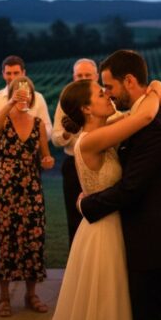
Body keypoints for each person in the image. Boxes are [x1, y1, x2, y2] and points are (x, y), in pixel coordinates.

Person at [38, 78, 161, 320]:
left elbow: (133, 112)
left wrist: (150, 93)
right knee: (106, 306)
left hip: (111, 225)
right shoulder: (90, 140)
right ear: (86, 108)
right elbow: (145, 115)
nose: (107, 95)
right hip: (104, 232)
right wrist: (155, 88)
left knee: (113, 304)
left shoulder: (102, 129)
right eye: (100, 93)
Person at [79, 49, 161, 320]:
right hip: (144, 238)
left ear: (129, 81)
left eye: (109, 87)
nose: (108, 94)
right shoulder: (141, 113)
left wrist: (87, 205)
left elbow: (131, 188)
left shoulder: (152, 124)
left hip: (154, 242)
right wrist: (156, 89)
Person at [0, 76, 55, 317]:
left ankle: (31, 294)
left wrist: (47, 161)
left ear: (33, 96)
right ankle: (4, 298)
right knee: (5, 239)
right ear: (12, 94)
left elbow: (46, 157)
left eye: (27, 92)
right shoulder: (4, 120)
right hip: (5, 186)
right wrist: (10, 103)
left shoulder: (38, 124)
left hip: (31, 186)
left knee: (33, 238)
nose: (24, 95)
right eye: (18, 91)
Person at [51, 58, 99, 246]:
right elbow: (55, 138)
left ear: (96, 76)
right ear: (73, 77)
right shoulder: (66, 101)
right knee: (74, 217)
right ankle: (76, 266)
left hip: (100, 164)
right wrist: (66, 132)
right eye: (80, 75)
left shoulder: (105, 99)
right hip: (73, 163)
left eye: (87, 75)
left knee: (100, 216)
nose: (83, 78)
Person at [0, 55, 52, 171]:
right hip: (2, 158)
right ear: (3, 74)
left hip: (31, 159)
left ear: (23, 73)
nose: (12, 77)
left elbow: (48, 128)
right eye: (8, 73)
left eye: (16, 73)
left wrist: (32, 134)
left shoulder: (38, 98)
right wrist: (3, 133)